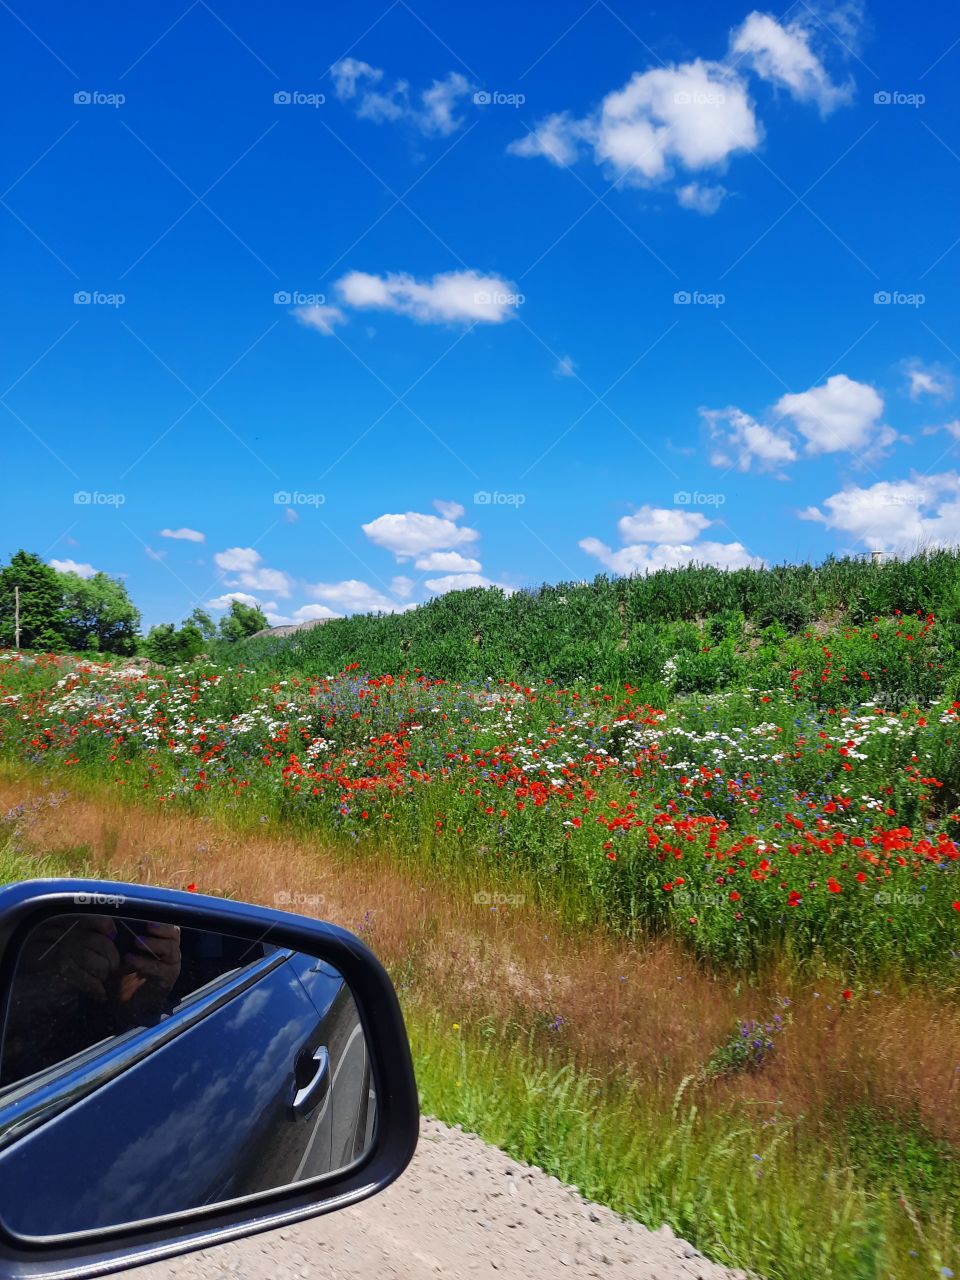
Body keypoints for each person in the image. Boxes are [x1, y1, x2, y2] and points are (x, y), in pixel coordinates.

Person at [0, 915, 182, 1086]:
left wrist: (148, 998)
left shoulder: (99, 1007)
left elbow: (110, 1033)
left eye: (123, 934)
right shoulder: (23, 986)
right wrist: (52, 980)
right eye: (56, 930)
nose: (102, 944)